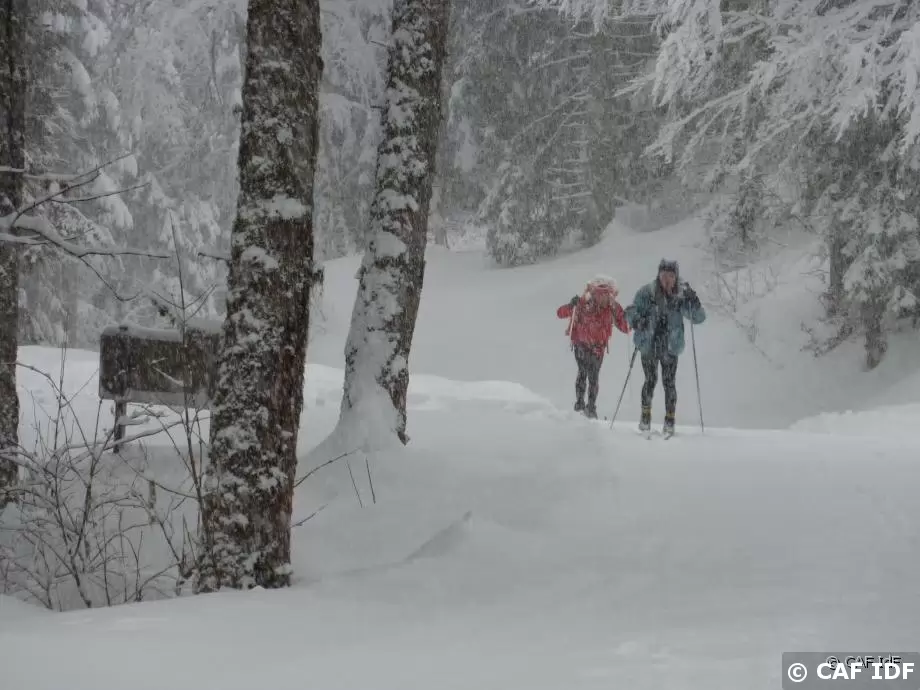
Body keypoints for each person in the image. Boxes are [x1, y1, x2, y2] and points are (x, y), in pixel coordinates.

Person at [625, 259, 705, 435]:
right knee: (650, 381)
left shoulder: (681, 296)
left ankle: (670, 422)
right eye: (664, 275)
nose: (667, 279)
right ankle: (645, 419)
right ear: (658, 276)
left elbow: (699, 318)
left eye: (671, 276)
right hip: (649, 345)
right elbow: (630, 312)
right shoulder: (647, 293)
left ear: (676, 277)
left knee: (669, 384)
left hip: (670, 346)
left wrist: (694, 301)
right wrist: (638, 321)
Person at [556, 276, 630, 419]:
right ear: (594, 293)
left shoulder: (612, 307)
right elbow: (560, 313)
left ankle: (589, 407)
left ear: (610, 294)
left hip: (598, 348)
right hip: (581, 344)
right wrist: (571, 305)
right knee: (584, 373)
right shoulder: (584, 303)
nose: (602, 298)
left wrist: (631, 317)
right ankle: (582, 405)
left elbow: (625, 327)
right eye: (599, 294)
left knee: (593, 376)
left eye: (605, 294)